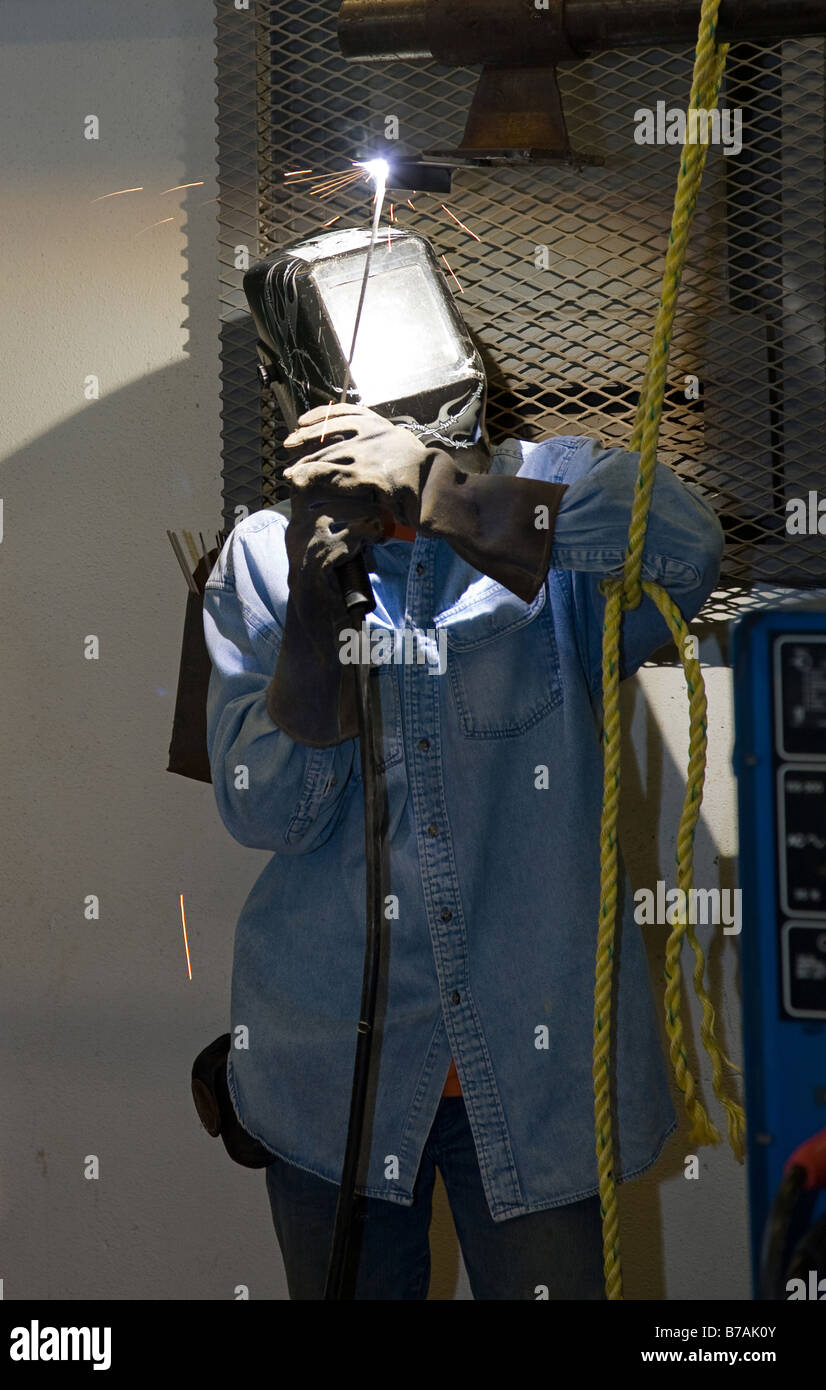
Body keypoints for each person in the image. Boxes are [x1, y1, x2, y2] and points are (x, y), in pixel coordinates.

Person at [202, 366, 724, 1301]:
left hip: (541, 1078)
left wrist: (450, 498)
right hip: (332, 1080)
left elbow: (688, 550)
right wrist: (319, 631)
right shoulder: (264, 555)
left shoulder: (557, 491)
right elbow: (261, 810)